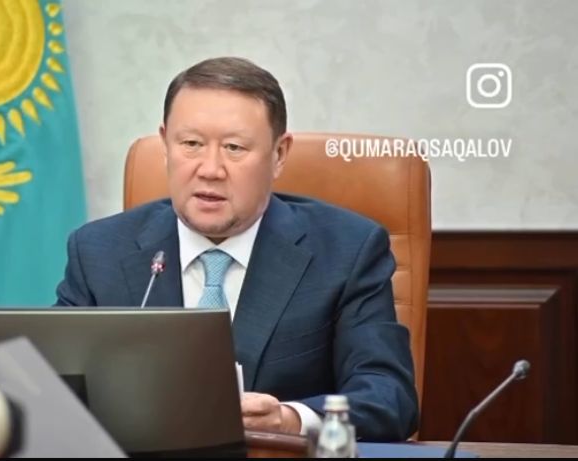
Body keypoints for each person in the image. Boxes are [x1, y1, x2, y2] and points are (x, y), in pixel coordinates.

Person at [54, 57, 418, 441]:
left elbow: (388, 398)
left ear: (279, 154)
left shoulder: (347, 251)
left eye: (234, 147)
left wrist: (291, 421)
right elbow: (51, 386)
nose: (210, 169)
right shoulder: (99, 252)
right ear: (165, 145)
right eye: (191, 144)